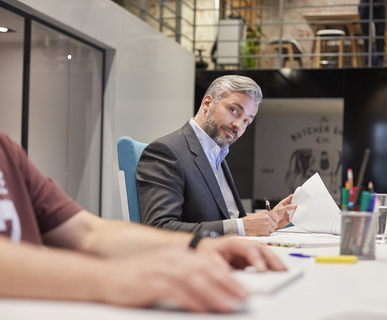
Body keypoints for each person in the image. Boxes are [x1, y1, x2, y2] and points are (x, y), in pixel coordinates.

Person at [0, 130, 286, 313]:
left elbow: (89, 232)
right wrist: (117, 276)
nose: (239, 125)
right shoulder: (171, 151)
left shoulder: (7, 151)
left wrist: (197, 246)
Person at [136, 75, 296, 236]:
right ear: (207, 103)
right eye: (234, 111)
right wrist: (241, 227)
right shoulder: (166, 152)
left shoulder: (217, 156)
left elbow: (228, 218)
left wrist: (269, 222)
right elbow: (159, 229)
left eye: (247, 121)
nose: (238, 126)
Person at [358, 0, 386, 66]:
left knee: (380, 34)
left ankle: (378, 63)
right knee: (366, 35)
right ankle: (369, 62)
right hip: (364, 3)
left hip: (378, 2)